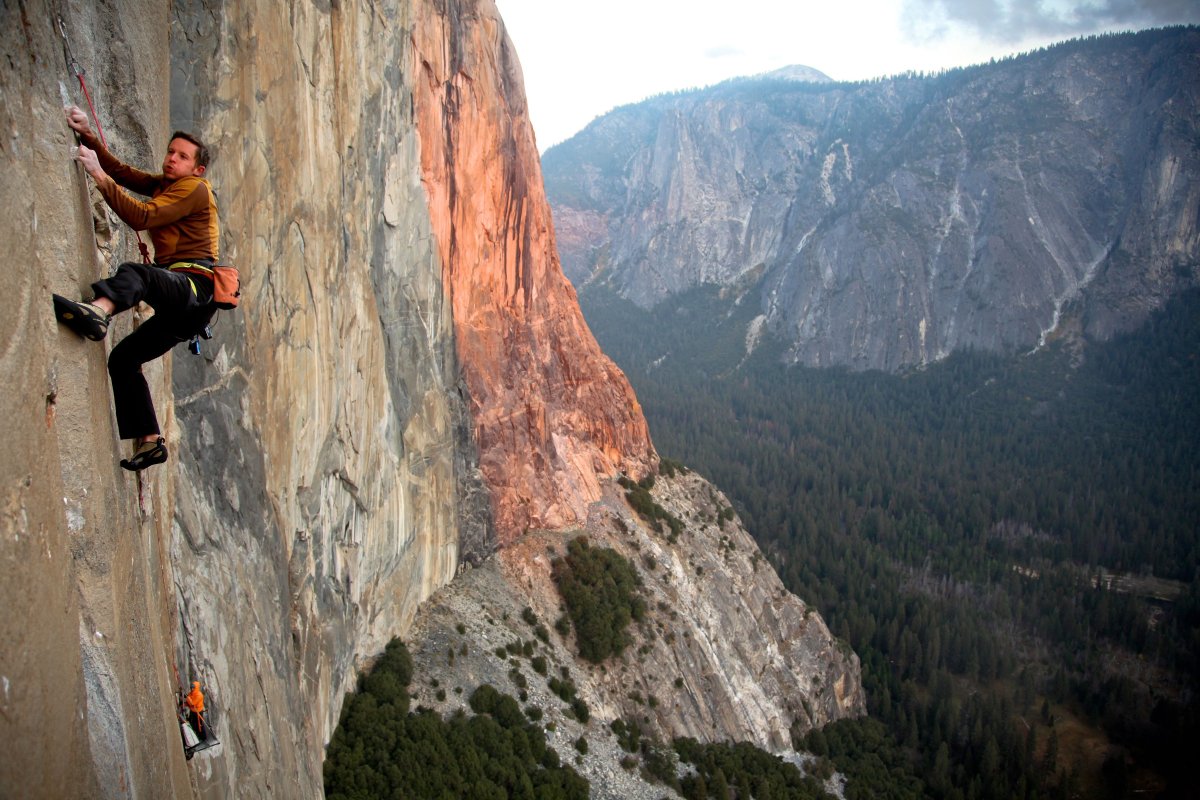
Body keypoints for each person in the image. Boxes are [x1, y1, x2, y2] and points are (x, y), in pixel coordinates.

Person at [53, 106, 220, 471]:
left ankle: (99, 311)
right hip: (188, 310)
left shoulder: (193, 188)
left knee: (138, 274)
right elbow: (125, 174)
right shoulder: (168, 183)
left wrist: (96, 174)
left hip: (194, 285)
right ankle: (148, 440)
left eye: (182, 156)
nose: (172, 159)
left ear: (198, 169)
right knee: (124, 359)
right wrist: (89, 137)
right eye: (171, 152)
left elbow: (141, 216)